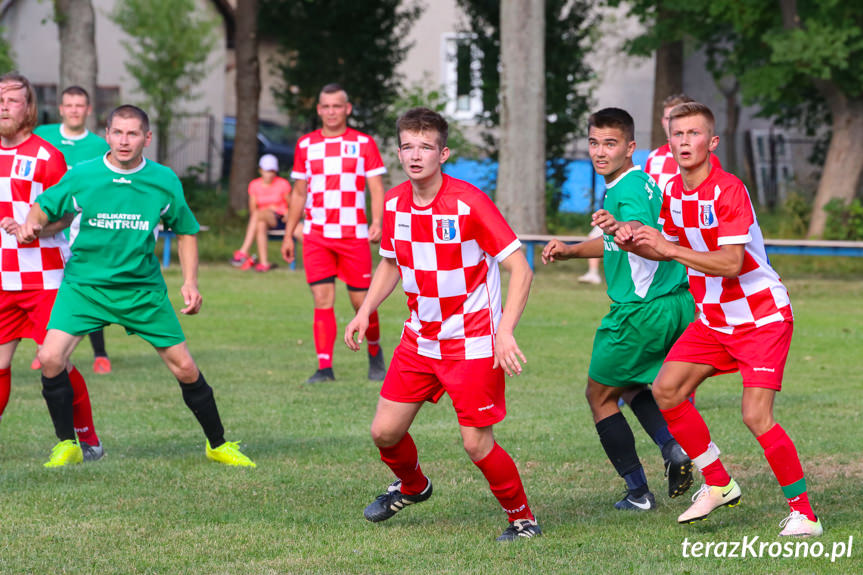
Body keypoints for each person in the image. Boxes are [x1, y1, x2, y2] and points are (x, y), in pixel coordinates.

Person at [615, 102, 822, 537]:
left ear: (711, 143)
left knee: (755, 415)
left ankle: (805, 514)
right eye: (677, 134)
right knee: (666, 390)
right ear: (668, 141)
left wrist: (668, 248)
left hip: (760, 317)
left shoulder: (729, 190)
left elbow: (730, 263)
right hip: (712, 321)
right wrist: (629, 239)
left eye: (693, 134)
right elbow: (664, 250)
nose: (684, 142)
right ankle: (719, 483)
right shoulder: (672, 191)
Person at [12, 104, 255, 469]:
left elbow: (186, 230)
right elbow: (43, 207)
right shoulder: (83, 175)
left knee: (185, 368)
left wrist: (190, 282)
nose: (124, 141)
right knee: (49, 358)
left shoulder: (164, 180)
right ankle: (68, 444)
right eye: (118, 133)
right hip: (85, 286)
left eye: (133, 134)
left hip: (142, 290)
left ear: (147, 138)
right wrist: (33, 223)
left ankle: (218, 443)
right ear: (106, 135)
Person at [345, 107, 541, 541]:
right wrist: (365, 311)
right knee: (384, 432)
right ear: (399, 152)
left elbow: (520, 268)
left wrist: (503, 331)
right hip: (419, 340)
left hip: (472, 342)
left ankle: (522, 518)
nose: (416, 155)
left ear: (444, 153)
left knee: (476, 444)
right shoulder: (395, 202)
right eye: (408, 147)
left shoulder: (470, 202)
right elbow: (391, 264)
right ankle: (413, 487)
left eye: (426, 147)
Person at [541, 108, 693, 511]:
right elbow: (617, 241)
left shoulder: (625, 192)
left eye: (610, 143)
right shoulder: (640, 182)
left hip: (640, 312)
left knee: (599, 395)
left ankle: (639, 492)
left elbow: (643, 237)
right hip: (675, 303)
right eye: (594, 142)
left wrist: (627, 233)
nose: (599, 151)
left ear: (630, 147)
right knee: (630, 385)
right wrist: (574, 250)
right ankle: (673, 445)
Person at [0, 72, 103, 463]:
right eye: (0, 99)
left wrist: (37, 226)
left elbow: (67, 212)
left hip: (45, 277)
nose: (4, 106)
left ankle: (85, 439)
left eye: (12, 100)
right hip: (2, 278)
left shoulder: (46, 155)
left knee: (53, 359)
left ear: (28, 109)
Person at [281, 83, 387, 383]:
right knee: (322, 299)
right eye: (325, 106)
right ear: (318, 110)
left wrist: (377, 220)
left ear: (347, 109)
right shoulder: (305, 145)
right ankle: (324, 368)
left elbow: (376, 187)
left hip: (354, 236)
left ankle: (375, 352)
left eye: (336, 106)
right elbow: (299, 193)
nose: (331, 112)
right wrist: (289, 234)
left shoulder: (363, 143)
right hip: (316, 235)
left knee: (361, 302)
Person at [34, 85, 113, 374]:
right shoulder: (43, 137)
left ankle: (100, 354)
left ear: (88, 110)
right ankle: (45, 348)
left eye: (80, 105)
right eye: (69, 105)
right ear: (61, 108)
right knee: (48, 292)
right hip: (47, 228)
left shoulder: (99, 146)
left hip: (84, 231)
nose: (75, 110)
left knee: (87, 290)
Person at [645, 93, 721, 192]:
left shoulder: (708, 159)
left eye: (678, 118)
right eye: (668, 119)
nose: (672, 124)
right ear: (662, 121)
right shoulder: (653, 157)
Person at [230, 154, 291, 272]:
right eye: (267, 170)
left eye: (272, 171)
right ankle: (264, 263)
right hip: (263, 218)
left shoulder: (282, 184)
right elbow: (253, 209)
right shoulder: (254, 185)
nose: (269, 174)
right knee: (260, 223)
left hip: (281, 218)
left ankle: (243, 251)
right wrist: (268, 208)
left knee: (258, 215)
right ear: (261, 170)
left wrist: (277, 209)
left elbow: (291, 205)